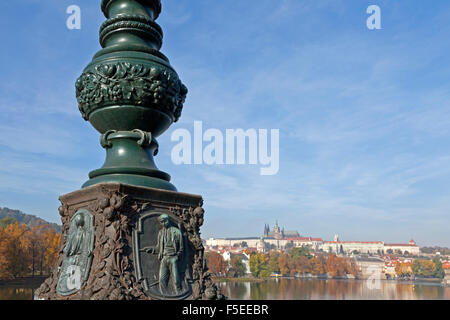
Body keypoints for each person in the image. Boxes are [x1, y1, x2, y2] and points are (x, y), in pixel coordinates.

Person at [145, 214, 184, 295]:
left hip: (173, 257)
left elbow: (181, 248)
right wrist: (151, 249)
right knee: (162, 280)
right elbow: (159, 247)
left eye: (165, 221)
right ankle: (164, 296)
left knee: (176, 280)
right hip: (164, 258)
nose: (163, 223)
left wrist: (177, 256)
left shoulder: (176, 232)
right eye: (161, 222)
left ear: (168, 220)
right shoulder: (160, 233)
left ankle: (179, 294)